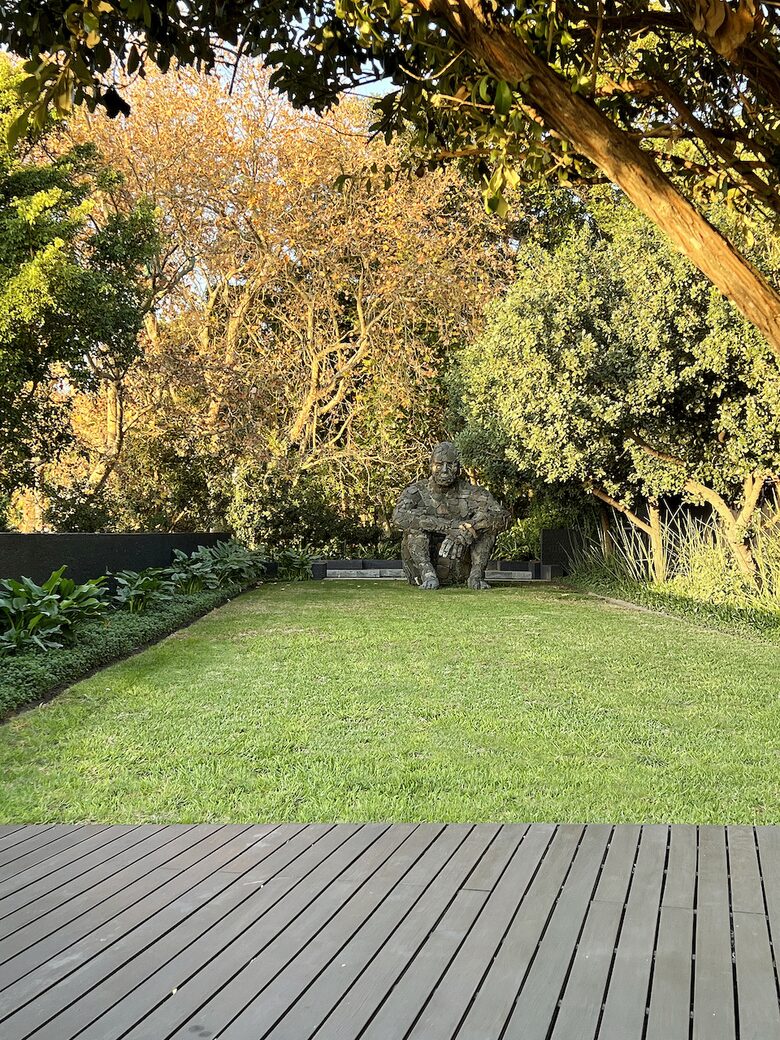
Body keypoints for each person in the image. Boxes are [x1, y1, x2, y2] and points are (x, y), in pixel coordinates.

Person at [392, 442, 508, 589]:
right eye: (439, 464)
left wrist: (471, 527)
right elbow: (398, 517)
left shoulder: (472, 492)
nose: (445, 470)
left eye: (450, 464)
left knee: (487, 527)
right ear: (431, 465)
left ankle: (476, 577)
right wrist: (449, 527)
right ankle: (428, 576)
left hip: (460, 562)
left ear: (458, 467)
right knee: (415, 527)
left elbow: (501, 517)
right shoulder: (417, 491)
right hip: (423, 563)